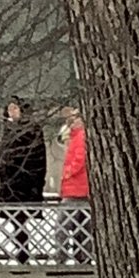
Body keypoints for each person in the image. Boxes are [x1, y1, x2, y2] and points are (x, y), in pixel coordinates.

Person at [0, 95, 47, 265]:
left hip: (24, 182)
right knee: (16, 220)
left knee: (20, 218)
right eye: (9, 108)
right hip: (10, 181)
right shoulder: (9, 129)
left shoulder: (31, 130)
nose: (11, 112)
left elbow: (35, 158)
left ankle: (23, 253)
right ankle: (21, 252)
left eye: (15, 108)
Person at [58, 107, 92, 264]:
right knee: (83, 225)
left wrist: (68, 172)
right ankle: (84, 256)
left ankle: (62, 256)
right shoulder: (76, 137)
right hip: (79, 187)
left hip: (75, 187)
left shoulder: (80, 137)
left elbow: (79, 159)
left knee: (63, 225)